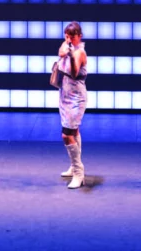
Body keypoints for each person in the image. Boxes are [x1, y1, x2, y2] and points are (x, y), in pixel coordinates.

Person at [57, 22, 89, 189]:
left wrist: (70, 55)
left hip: (76, 97)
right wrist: (65, 50)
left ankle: (78, 172)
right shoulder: (66, 44)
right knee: (74, 131)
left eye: (72, 37)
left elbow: (75, 72)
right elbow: (60, 52)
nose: (69, 39)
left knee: (66, 134)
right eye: (67, 36)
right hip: (65, 95)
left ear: (79, 36)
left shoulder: (80, 52)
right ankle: (74, 165)